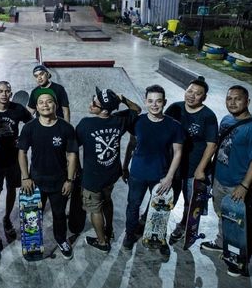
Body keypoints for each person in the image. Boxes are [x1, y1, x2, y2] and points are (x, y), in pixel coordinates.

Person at [200, 85, 252, 277]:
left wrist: (244, 186)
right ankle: (222, 244)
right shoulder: (226, 120)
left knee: (241, 223)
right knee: (223, 215)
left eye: (237, 99)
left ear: (247, 101)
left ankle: (241, 261)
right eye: (229, 98)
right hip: (220, 179)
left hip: (238, 185)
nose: (232, 102)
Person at [76, 87, 141, 252]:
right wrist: (122, 98)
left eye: (95, 102)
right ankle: (109, 229)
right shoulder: (120, 120)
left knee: (95, 208)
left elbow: (73, 149)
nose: (91, 103)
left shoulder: (86, 124)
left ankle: (102, 242)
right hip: (111, 174)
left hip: (93, 177)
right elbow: (137, 109)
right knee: (107, 200)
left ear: (104, 109)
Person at [122, 84, 184, 256]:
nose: (154, 105)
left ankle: (159, 237)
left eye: (158, 101)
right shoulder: (138, 121)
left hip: (160, 175)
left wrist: (170, 177)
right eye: (150, 101)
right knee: (133, 206)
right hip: (137, 174)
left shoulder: (174, 126)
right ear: (145, 101)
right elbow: (132, 144)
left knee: (160, 210)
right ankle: (129, 233)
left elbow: (178, 152)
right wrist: (125, 165)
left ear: (165, 102)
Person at [18, 88, 78, 259]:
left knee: (59, 214)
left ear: (55, 105)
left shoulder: (66, 128)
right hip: (35, 182)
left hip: (59, 181)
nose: (45, 105)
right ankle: (33, 243)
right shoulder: (30, 128)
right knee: (33, 215)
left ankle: (60, 239)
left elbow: (72, 155)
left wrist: (69, 179)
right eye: (41, 102)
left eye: (49, 101)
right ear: (36, 107)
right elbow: (21, 152)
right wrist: (25, 177)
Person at [165, 76, 218, 243]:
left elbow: (211, 145)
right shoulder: (175, 108)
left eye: (197, 93)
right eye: (190, 91)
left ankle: (182, 225)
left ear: (204, 97)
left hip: (193, 169)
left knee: (190, 202)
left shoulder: (208, 116)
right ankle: (155, 222)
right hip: (173, 167)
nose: (192, 95)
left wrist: (201, 169)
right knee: (165, 198)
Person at [0, 81, 33, 248]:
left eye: (7, 91)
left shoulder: (18, 109)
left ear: (11, 93)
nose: (4, 94)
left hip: (14, 158)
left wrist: (23, 138)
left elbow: (31, 123)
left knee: (12, 189)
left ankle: (7, 218)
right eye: (0, 91)